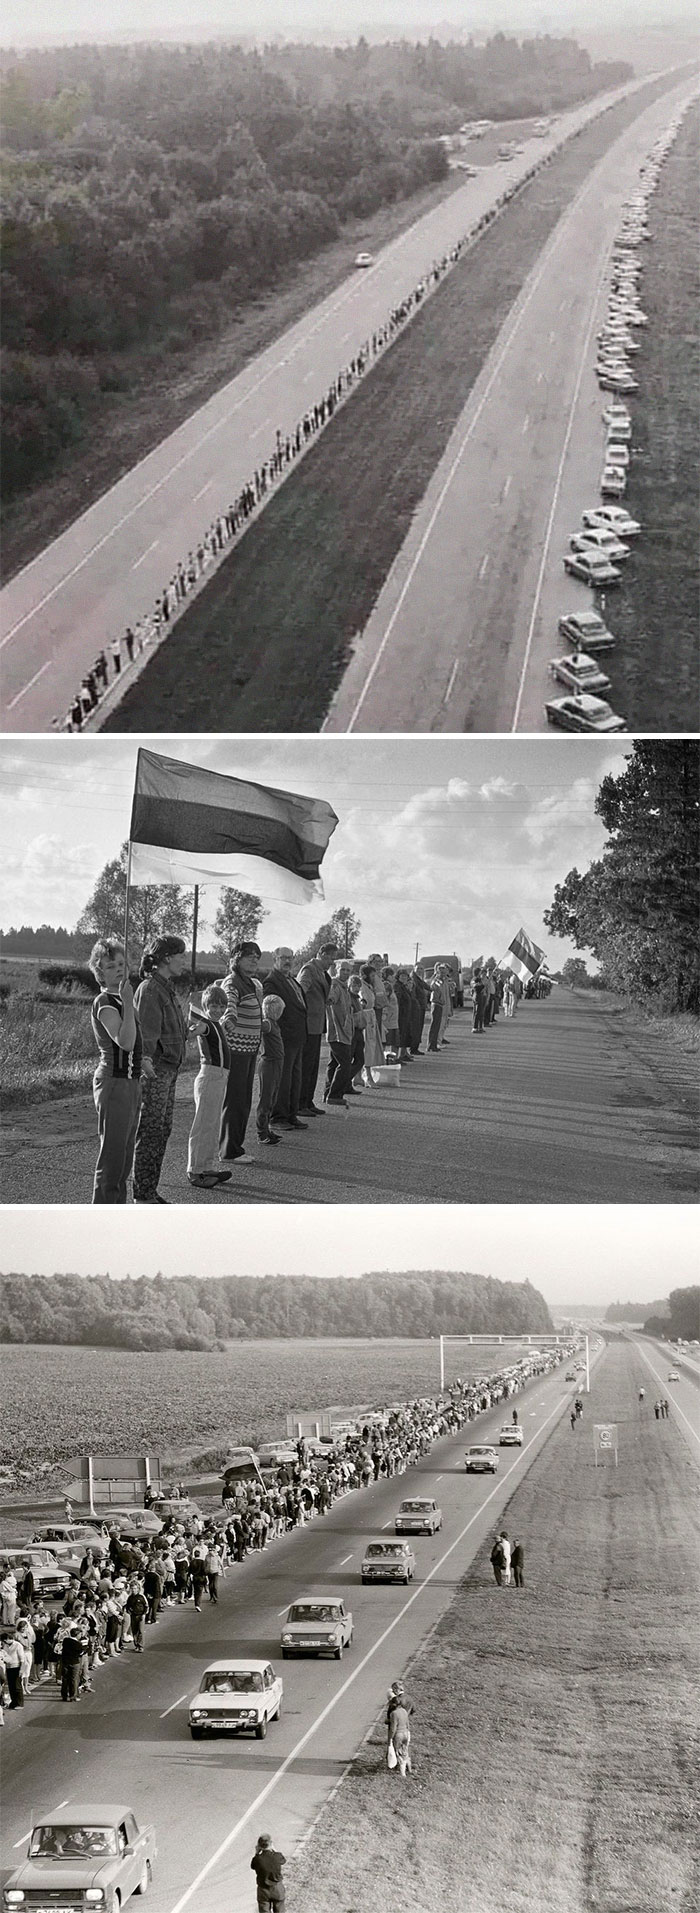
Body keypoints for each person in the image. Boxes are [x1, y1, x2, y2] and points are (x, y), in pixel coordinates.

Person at [133, 936, 189, 1203]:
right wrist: (146, 1065)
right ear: (167, 957)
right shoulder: (151, 990)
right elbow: (146, 1036)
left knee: (161, 1131)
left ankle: (149, 1192)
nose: (183, 961)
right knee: (151, 1133)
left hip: (168, 1070)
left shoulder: (165, 987)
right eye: (180, 955)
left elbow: (169, 1030)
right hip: (155, 1072)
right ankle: (143, 1195)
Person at [88, 938, 142, 1203]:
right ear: (100, 972)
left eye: (121, 964)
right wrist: (129, 1004)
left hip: (131, 1083)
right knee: (112, 1159)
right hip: (114, 1083)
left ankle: (118, 1212)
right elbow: (125, 1041)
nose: (119, 969)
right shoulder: (105, 1000)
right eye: (110, 966)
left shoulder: (123, 998)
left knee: (125, 1158)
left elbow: (136, 1048)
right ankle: (103, 1217)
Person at [218, 941, 263, 1163]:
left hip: (248, 1049)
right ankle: (229, 1150)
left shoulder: (249, 982)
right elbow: (229, 1004)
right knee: (235, 1100)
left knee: (243, 1099)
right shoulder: (233, 982)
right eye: (249, 956)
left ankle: (235, 1146)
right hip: (236, 1051)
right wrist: (229, 1019)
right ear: (236, 958)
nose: (254, 959)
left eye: (257, 956)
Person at [186, 984, 233, 1188]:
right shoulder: (205, 1024)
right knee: (203, 1125)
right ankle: (194, 1170)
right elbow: (194, 1031)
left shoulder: (217, 1024)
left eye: (222, 1006)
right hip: (210, 1076)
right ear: (205, 1005)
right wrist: (191, 1029)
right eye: (214, 1006)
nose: (218, 1010)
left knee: (212, 1126)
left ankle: (205, 1166)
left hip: (220, 1076)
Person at [261, 948, 309, 1130]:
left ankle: (291, 1114)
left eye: (290, 958)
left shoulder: (292, 980)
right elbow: (271, 1010)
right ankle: (278, 1117)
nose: (288, 961)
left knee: (295, 1079)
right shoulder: (272, 981)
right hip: (284, 1038)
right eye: (283, 958)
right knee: (283, 1080)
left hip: (298, 1038)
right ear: (275, 959)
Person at [297, 942, 338, 1113]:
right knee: (306, 1066)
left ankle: (308, 1102)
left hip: (316, 1025)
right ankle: (300, 1103)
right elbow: (300, 992)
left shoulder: (321, 972)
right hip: (307, 1025)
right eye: (330, 958)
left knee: (313, 1067)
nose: (331, 962)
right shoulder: (309, 970)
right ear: (322, 954)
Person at [256, 995, 285, 1145]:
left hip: (276, 1063)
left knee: (272, 1098)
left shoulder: (274, 1023)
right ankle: (261, 1132)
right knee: (265, 1099)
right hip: (269, 1063)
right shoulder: (267, 1023)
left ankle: (266, 1129)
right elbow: (258, 1026)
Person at [324, 960, 354, 1104]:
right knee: (345, 1064)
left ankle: (327, 1093)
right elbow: (331, 998)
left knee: (334, 1064)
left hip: (343, 1031)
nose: (346, 973)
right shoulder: (335, 985)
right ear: (336, 970)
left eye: (348, 970)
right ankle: (334, 1095)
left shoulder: (344, 987)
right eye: (343, 970)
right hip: (337, 1032)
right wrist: (329, 998)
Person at [250, 1832, 286, 1910]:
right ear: (271, 1844)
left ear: (259, 1846)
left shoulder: (258, 1859)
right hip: (277, 1888)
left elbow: (252, 1866)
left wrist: (256, 1853)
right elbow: (283, 1860)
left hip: (263, 1889)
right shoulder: (277, 1856)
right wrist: (274, 1849)